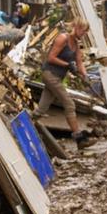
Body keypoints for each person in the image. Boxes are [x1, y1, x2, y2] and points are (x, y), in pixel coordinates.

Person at [34, 18, 93, 148]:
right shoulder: (62, 38)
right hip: (50, 74)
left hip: (58, 78)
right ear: (76, 27)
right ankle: (80, 139)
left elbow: (79, 63)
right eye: (83, 31)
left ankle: (25, 125)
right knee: (69, 104)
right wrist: (67, 64)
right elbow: (51, 58)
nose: (84, 34)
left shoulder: (76, 45)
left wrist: (85, 75)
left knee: (42, 108)